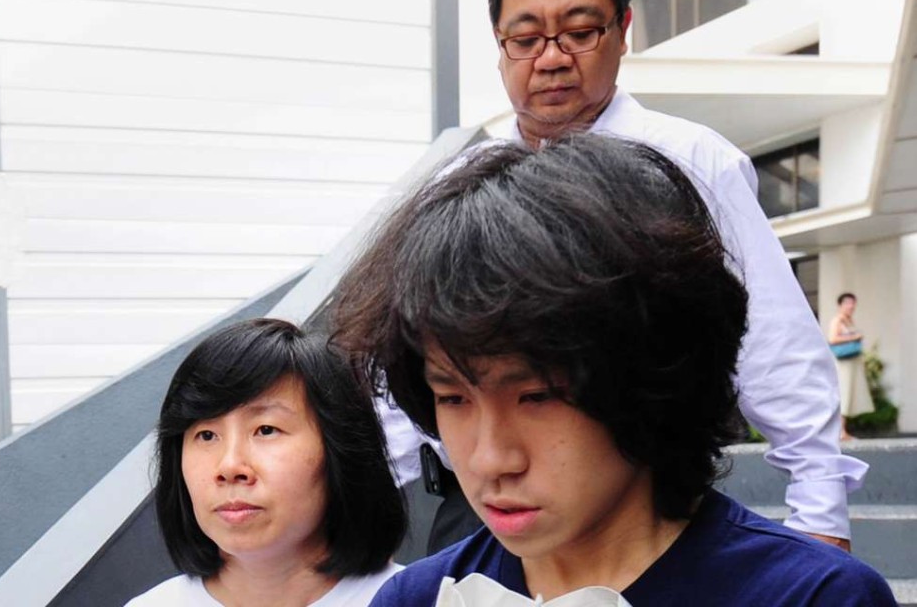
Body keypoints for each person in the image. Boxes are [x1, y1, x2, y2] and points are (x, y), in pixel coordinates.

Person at [385, 0, 866, 553]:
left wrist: (820, 511)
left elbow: (776, 344)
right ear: (499, 46)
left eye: (580, 32)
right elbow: (407, 367)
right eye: (525, 38)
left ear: (623, 27)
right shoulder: (456, 188)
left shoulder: (692, 163)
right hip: (479, 513)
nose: (552, 57)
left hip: (644, 510)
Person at [332, 135, 894, 606]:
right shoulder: (418, 598)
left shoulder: (809, 597)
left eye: (537, 396)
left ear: (653, 377)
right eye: (452, 398)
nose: (488, 459)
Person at [125, 318, 406, 607]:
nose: (230, 466)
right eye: (207, 435)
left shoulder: (421, 598)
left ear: (341, 450)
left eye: (266, 430)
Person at [828, 293, 874, 440]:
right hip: (843, 364)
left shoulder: (848, 320)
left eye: (852, 303)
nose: (851, 306)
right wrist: (855, 337)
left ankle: (843, 430)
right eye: (847, 303)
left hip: (851, 362)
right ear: (840, 305)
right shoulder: (838, 320)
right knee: (843, 395)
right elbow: (832, 339)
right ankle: (840, 431)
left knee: (848, 396)